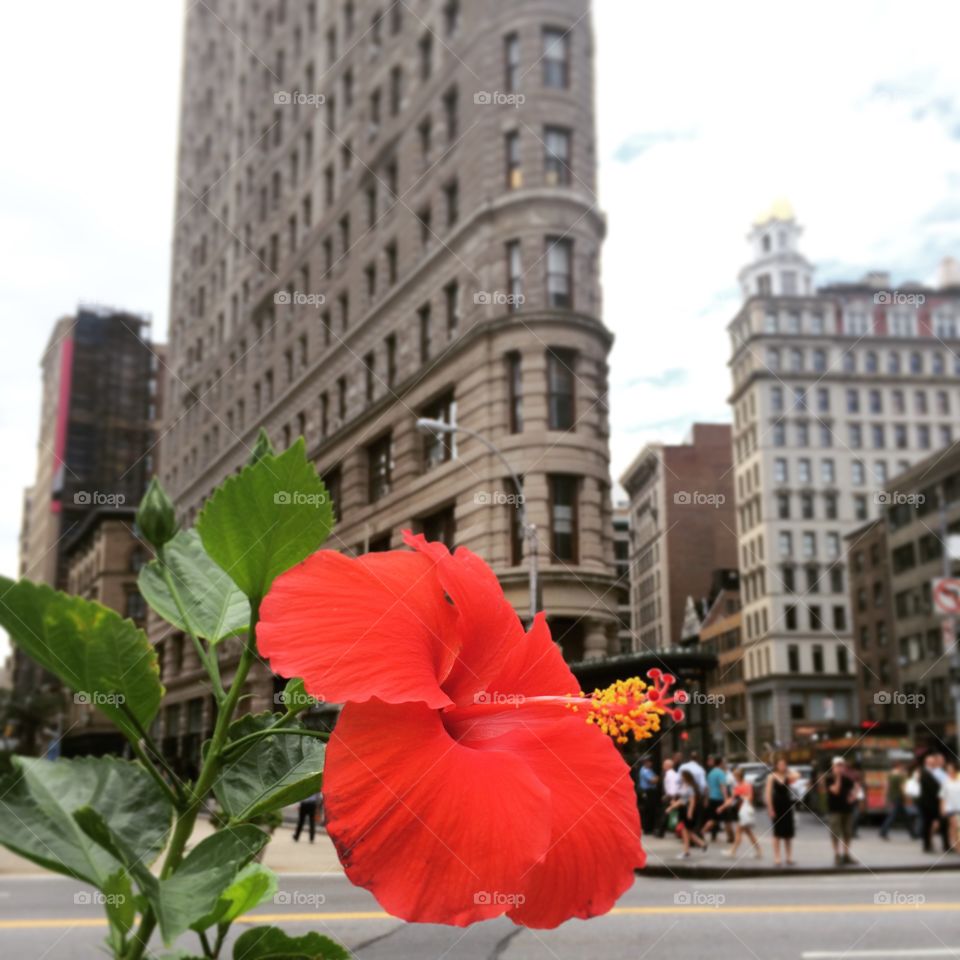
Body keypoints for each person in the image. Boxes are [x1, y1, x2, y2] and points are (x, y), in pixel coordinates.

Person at [720, 766, 762, 859]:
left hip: (743, 813)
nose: (734, 778)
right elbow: (750, 798)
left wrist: (722, 807)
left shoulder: (739, 787)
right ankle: (759, 851)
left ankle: (732, 851)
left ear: (739, 777)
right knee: (749, 833)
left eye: (735, 776)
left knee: (739, 832)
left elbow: (732, 799)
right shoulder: (747, 785)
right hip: (746, 812)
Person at [666, 769, 708, 858]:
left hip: (687, 811)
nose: (680, 777)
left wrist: (690, 812)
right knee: (687, 831)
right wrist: (672, 806)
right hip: (683, 810)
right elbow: (682, 800)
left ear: (686, 777)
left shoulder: (690, 787)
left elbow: (692, 801)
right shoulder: (684, 786)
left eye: (682, 776)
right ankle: (701, 844)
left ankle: (687, 851)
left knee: (685, 831)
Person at [765, 756, 797, 867]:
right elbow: (768, 793)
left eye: (784, 764)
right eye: (780, 764)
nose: (782, 766)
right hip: (777, 806)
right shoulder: (771, 776)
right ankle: (777, 857)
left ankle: (789, 857)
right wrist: (770, 808)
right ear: (776, 765)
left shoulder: (788, 776)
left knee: (788, 833)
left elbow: (798, 775)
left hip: (787, 805)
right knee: (777, 833)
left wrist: (788, 770)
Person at [825, 756, 857, 866]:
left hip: (847, 809)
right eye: (837, 765)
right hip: (835, 810)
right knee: (835, 833)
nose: (840, 768)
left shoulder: (847, 780)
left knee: (847, 833)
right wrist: (838, 777)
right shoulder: (829, 778)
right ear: (833, 767)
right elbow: (836, 790)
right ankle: (837, 855)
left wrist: (852, 797)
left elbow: (855, 789)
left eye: (841, 765)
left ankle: (846, 854)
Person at [920, 753, 949, 854]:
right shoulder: (924, 773)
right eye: (931, 762)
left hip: (936, 803)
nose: (933, 763)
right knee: (927, 825)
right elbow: (934, 789)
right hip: (928, 804)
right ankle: (927, 845)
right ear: (927, 762)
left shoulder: (933, 772)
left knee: (943, 823)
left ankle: (946, 845)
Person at [880, 762, 915, 840]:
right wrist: (907, 797)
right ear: (899, 767)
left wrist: (885, 797)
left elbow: (886, 786)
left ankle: (913, 833)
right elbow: (902, 788)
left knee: (905, 816)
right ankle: (883, 831)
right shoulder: (901, 776)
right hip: (899, 798)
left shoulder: (890, 775)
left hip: (893, 797)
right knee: (893, 816)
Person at [703, 756, 733, 843]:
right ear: (720, 763)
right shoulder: (721, 773)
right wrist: (726, 798)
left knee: (713, 819)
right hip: (720, 799)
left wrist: (706, 799)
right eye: (723, 762)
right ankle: (731, 837)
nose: (724, 764)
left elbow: (707, 788)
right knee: (727, 819)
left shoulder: (710, 773)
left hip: (712, 798)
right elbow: (723, 786)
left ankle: (702, 832)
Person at [656, 758, 681, 837]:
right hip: (671, 796)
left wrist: (671, 798)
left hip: (670, 797)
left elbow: (672, 788)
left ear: (668, 765)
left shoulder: (670, 774)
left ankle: (661, 832)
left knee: (665, 813)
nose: (662, 766)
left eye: (664, 764)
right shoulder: (672, 774)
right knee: (668, 814)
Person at [940, 759, 960, 853]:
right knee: (954, 826)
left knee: (956, 827)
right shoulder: (946, 782)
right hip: (950, 808)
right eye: (948, 769)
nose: (949, 771)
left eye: (950, 769)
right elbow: (943, 796)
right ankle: (956, 846)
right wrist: (942, 808)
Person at [637, 757, 660, 833]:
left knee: (651, 810)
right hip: (648, 792)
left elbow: (655, 779)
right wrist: (656, 778)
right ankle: (647, 828)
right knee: (648, 810)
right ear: (646, 762)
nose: (651, 763)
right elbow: (653, 780)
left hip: (651, 792)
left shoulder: (649, 770)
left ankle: (650, 827)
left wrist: (656, 778)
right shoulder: (645, 771)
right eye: (649, 762)